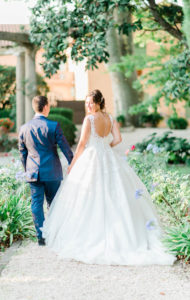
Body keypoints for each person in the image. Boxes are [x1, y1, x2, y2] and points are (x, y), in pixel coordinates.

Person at [42, 89, 176, 265]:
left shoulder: (89, 119)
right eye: (86, 103)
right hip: (108, 156)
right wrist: (106, 145)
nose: (88, 106)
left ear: (99, 103)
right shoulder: (110, 118)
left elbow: (82, 144)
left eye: (91, 102)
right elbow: (118, 139)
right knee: (114, 191)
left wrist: (72, 164)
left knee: (89, 194)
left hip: (92, 156)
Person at [18, 96, 73, 246]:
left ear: (34, 107)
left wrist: (27, 170)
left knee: (36, 203)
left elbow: (22, 153)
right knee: (54, 203)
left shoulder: (24, 128)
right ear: (46, 107)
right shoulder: (54, 125)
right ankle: (54, 233)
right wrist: (72, 163)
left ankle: (41, 236)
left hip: (33, 172)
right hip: (52, 171)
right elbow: (65, 147)